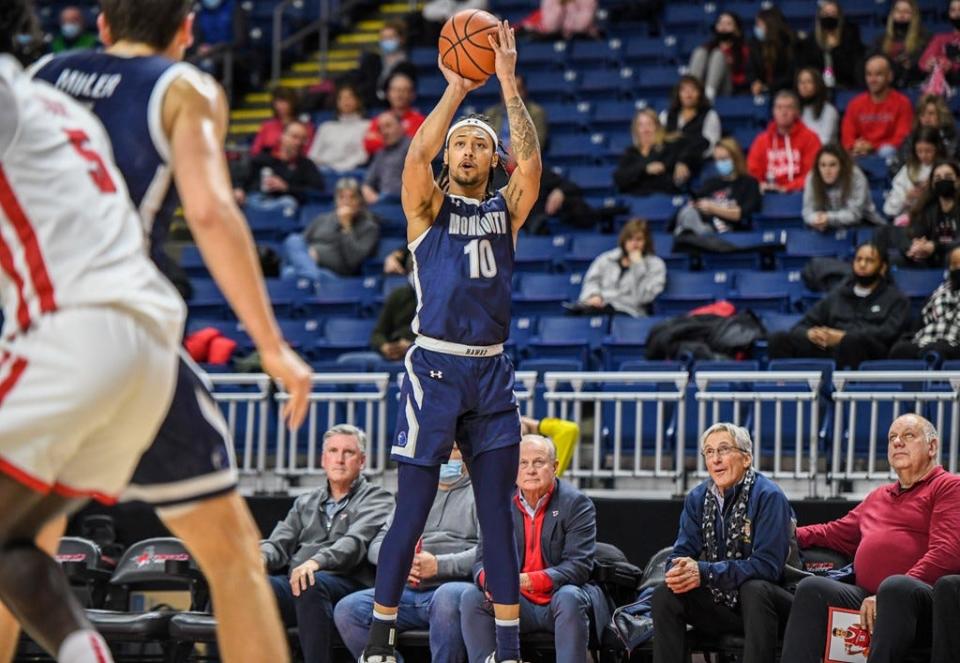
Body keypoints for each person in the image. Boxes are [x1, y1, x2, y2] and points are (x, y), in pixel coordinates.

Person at [29, 2, 314, 661]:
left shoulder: (40, 74)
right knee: (234, 558)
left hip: (33, 337)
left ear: (102, 25)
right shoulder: (181, 87)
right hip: (120, 336)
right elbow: (212, 212)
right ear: (187, 29)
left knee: (20, 551)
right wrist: (272, 347)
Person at [0, 5, 184, 659]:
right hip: (147, 349)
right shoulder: (63, 114)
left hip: (74, 333)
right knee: (12, 542)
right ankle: (84, 652)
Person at [359, 20, 543, 663]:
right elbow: (414, 159)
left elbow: (534, 162)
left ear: (494, 160)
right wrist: (457, 93)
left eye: (478, 146)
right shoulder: (427, 210)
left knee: (497, 513)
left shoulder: (506, 210)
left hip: (491, 371)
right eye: (459, 144)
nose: (466, 150)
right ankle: (380, 639)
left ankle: (509, 647)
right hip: (435, 367)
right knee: (411, 507)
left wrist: (509, 85)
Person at [779, 414, 960, 663]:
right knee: (813, 588)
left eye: (908, 436)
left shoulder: (949, 486)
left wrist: (888, 593)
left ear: (932, 447)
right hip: (869, 596)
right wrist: (782, 534)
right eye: (892, 438)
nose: (897, 442)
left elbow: (948, 552)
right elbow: (833, 533)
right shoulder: (878, 496)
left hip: (923, 599)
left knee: (895, 587)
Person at [652, 423, 797, 663]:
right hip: (723, 602)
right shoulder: (697, 498)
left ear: (747, 458)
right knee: (665, 594)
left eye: (724, 450)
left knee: (754, 589)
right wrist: (678, 571)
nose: (716, 459)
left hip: (774, 603)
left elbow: (768, 567)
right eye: (709, 452)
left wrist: (705, 572)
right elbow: (680, 553)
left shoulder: (769, 496)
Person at [460, 435, 609, 663]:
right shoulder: (499, 503)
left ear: (555, 467)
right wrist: (489, 581)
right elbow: (481, 561)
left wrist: (524, 581)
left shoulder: (577, 504)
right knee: (471, 597)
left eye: (538, 462)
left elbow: (578, 567)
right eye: (522, 463)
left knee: (570, 597)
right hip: (517, 603)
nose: (530, 470)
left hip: (557, 600)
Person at [262, 425, 394, 663]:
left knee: (309, 583)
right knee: (258, 586)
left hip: (348, 583)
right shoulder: (305, 501)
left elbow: (353, 544)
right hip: (300, 582)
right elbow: (278, 542)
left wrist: (315, 562)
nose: (340, 459)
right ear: (323, 459)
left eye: (349, 452)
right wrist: (257, 561)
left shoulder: (378, 498)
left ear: (362, 461)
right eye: (333, 451)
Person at [334, 446, 479, 663]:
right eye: (442, 449)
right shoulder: (415, 493)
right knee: (349, 609)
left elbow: (489, 550)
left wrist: (440, 565)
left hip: (455, 587)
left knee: (447, 597)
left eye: (456, 449)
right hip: (407, 591)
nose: (448, 456)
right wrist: (401, 562)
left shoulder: (481, 493)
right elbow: (378, 544)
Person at [769, 242, 908, 367]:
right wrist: (810, 333)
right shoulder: (837, 295)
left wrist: (843, 337)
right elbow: (801, 326)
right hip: (829, 349)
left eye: (869, 260)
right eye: (858, 259)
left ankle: (849, 391)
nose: (862, 264)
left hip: (868, 354)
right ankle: (785, 388)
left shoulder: (896, 299)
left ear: (882, 267)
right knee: (780, 338)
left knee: (851, 341)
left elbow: (889, 333)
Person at [282, 177, 380, 281]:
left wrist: (346, 226)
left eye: (352, 197)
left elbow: (353, 261)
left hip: (336, 276)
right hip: (314, 268)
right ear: (335, 200)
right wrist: (308, 257)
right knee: (293, 240)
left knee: (290, 274)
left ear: (360, 201)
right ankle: (312, 275)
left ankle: (311, 276)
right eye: (342, 197)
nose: (347, 202)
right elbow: (300, 247)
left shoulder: (369, 228)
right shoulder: (322, 219)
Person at [576, 218, 666, 317]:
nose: (634, 244)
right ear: (624, 240)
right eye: (630, 239)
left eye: (639, 239)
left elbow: (643, 298)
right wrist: (593, 295)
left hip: (629, 311)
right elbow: (591, 281)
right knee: (575, 314)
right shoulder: (606, 258)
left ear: (646, 242)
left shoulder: (656, 265)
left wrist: (638, 266)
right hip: (600, 305)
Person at [674, 137, 760, 235]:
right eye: (717, 160)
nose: (720, 163)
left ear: (736, 158)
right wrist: (698, 205)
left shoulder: (749, 183)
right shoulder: (711, 183)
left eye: (724, 159)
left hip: (733, 233)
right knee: (688, 213)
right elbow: (696, 201)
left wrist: (712, 208)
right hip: (706, 229)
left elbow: (741, 214)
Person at [889, 245, 960, 360]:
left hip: (955, 343)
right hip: (927, 339)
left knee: (936, 349)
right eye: (954, 264)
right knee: (900, 350)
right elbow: (918, 326)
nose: (958, 268)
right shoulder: (938, 293)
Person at [746, 90, 821, 193]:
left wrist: (786, 188)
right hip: (768, 195)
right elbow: (753, 173)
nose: (784, 112)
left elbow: (812, 175)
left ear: (797, 112)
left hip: (800, 194)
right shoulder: (761, 141)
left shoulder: (811, 138)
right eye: (779, 107)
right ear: (773, 111)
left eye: (789, 107)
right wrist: (762, 185)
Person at [841, 54, 914, 159]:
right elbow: (847, 137)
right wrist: (855, 145)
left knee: (887, 151)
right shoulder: (855, 103)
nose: (872, 80)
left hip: (889, 155)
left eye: (878, 74)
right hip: (859, 153)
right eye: (869, 75)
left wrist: (872, 147)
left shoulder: (902, 103)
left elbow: (901, 138)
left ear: (889, 76)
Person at [237, 120, 325, 207]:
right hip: (256, 200)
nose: (298, 143)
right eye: (294, 137)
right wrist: (239, 190)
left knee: (287, 202)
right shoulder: (263, 158)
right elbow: (243, 180)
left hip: (285, 205)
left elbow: (317, 191)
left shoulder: (307, 165)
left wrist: (286, 188)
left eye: (303, 139)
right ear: (283, 136)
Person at [802, 144, 885, 231]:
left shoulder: (855, 176)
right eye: (823, 165)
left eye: (832, 165)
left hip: (863, 225)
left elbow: (855, 215)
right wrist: (815, 219)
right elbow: (807, 212)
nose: (827, 171)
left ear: (842, 165)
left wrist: (828, 218)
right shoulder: (813, 176)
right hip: (826, 228)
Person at [898, 160, 960, 269]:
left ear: (958, 180)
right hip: (932, 257)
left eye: (948, 176)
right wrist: (915, 246)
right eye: (938, 178)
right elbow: (913, 234)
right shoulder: (926, 208)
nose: (943, 180)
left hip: (953, 258)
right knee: (901, 256)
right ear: (932, 183)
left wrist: (935, 247)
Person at [660, 75, 722, 177]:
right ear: (678, 94)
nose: (688, 94)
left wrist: (687, 159)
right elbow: (659, 141)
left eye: (693, 90)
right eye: (684, 90)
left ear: (700, 94)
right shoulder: (666, 115)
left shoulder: (710, 115)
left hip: (698, 164)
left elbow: (711, 145)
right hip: (669, 163)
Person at [613, 108, 685, 196]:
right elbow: (619, 178)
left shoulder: (668, 148)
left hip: (661, 199)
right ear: (636, 129)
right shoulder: (631, 152)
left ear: (657, 127)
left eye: (649, 124)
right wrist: (645, 169)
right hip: (634, 200)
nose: (645, 129)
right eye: (641, 125)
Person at [796, 0, 865, 90]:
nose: (829, 17)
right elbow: (808, 67)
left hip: (846, 85)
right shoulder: (812, 40)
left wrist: (835, 49)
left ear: (839, 17)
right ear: (819, 16)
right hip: (818, 88)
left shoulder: (850, 37)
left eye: (833, 13)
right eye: (825, 13)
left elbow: (852, 68)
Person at [483, 74, 548, 165]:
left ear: (525, 92)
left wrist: (518, 154)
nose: (512, 95)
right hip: (495, 164)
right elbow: (485, 143)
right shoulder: (490, 113)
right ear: (501, 93)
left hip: (522, 164)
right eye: (507, 90)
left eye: (517, 90)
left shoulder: (536, 113)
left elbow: (538, 143)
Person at [884, 127, 945, 224]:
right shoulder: (907, 169)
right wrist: (907, 197)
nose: (923, 155)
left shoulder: (947, 169)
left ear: (937, 148)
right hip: (910, 221)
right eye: (919, 151)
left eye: (928, 151)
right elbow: (889, 210)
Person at [354, 21, 418, 110]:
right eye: (384, 38)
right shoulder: (372, 60)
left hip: (394, 109)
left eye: (391, 37)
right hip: (370, 107)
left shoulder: (407, 66)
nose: (387, 41)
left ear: (401, 39)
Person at [307, 83, 369, 172]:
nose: (345, 101)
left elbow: (362, 156)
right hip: (322, 172)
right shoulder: (326, 127)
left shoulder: (366, 126)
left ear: (358, 101)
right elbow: (313, 155)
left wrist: (338, 169)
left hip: (349, 173)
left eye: (349, 97)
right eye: (341, 98)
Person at [688, 12, 750, 101]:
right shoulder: (707, 48)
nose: (723, 27)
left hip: (729, 89)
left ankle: (708, 97)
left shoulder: (744, 50)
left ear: (737, 30)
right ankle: (691, 93)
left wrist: (728, 66)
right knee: (700, 52)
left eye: (728, 24)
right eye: (721, 23)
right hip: (702, 88)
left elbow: (746, 77)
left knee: (718, 55)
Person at [363, 72, 424, 156]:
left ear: (412, 95)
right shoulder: (381, 119)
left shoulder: (420, 121)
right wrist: (400, 138)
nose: (399, 94)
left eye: (404, 90)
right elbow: (369, 144)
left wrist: (381, 138)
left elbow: (415, 148)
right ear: (388, 94)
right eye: (395, 90)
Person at [893, 94, 958, 173]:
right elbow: (899, 166)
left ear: (941, 115)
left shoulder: (954, 137)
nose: (926, 119)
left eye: (931, 113)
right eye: (922, 114)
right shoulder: (911, 139)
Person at [872, 0, 929, 88]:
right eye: (898, 11)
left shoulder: (924, 38)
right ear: (892, 14)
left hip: (913, 82)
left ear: (914, 15)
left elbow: (922, 64)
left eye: (907, 12)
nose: (901, 15)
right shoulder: (880, 39)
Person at [746, 7, 797, 97]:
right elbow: (751, 69)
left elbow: (791, 74)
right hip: (761, 91)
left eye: (759, 24)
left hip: (786, 90)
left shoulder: (789, 43)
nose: (756, 28)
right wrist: (755, 82)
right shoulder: (755, 44)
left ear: (770, 24)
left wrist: (768, 86)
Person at [363, 111, 411, 204]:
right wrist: (369, 193)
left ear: (401, 127)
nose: (384, 132)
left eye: (388, 126)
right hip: (382, 202)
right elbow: (367, 183)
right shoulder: (380, 154)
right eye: (381, 129)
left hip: (405, 203)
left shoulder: (413, 148)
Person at [250, 86, 314, 157]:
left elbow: (309, 152)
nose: (280, 105)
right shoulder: (267, 126)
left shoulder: (304, 127)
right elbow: (255, 150)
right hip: (269, 163)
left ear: (293, 103)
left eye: (284, 101)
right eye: (277, 102)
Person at [919, 0, 960, 85]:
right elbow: (924, 62)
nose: (957, 14)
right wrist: (930, 64)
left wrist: (952, 66)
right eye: (953, 10)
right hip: (946, 86)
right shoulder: (940, 38)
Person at [796, 67, 839, 146]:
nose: (804, 86)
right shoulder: (796, 110)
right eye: (801, 82)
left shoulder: (829, 111)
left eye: (809, 82)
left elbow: (824, 141)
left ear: (817, 84)